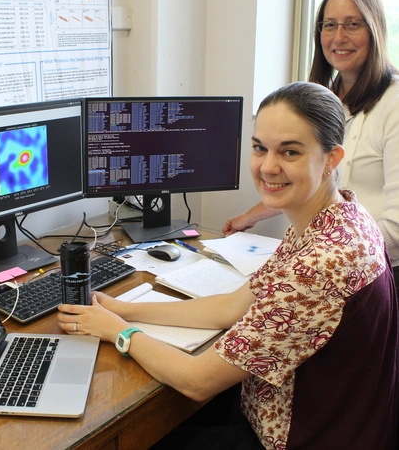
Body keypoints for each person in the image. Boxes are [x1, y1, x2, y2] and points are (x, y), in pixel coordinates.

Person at [57, 82, 399, 449]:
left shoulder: (318, 265)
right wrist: (126, 310)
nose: (268, 166)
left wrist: (120, 333)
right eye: (259, 148)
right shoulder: (341, 216)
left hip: (298, 437)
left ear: (332, 158)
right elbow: (231, 307)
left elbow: (196, 381)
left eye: (290, 152)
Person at [222, 0, 399, 288]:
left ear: (375, 30)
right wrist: (251, 215)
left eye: (353, 24)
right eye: (329, 25)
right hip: (325, 265)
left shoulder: (394, 104)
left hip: (375, 274)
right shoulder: (327, 99)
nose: (339, 37)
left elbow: (396, 227)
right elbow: (309, 179)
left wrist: (334, 257)